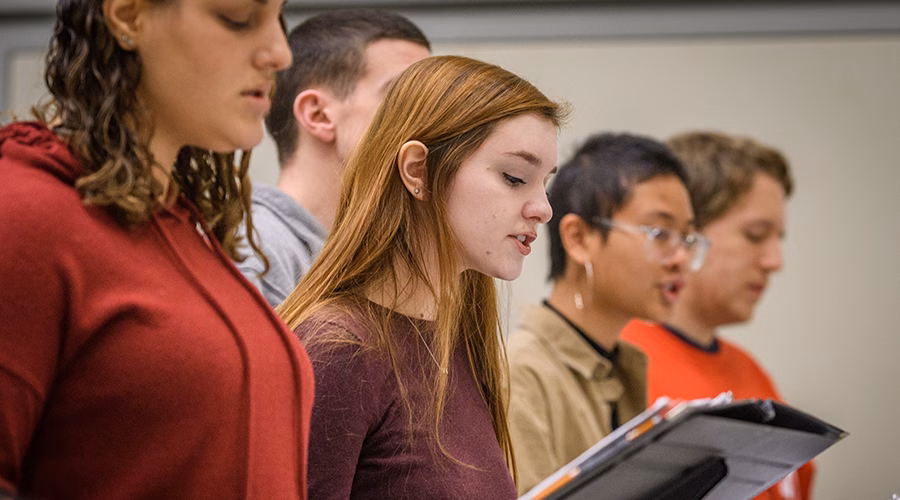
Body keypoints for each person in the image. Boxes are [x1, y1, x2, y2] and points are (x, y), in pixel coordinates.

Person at [0, 0, 314, 498]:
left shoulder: (187, 231)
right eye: (236, 18)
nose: (279, 53)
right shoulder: (25, 214)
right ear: (128, 17)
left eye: (279, 19)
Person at [279, 55, 567, 499]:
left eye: (543, 182)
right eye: (515, 178)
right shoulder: (338, 349)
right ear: (418, 170)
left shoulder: (459, 339)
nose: (542, 208)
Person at [506, 132, 709, 494]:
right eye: (660, 233)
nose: (680, 258)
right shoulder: (522, 372)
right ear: (579, 238)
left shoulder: (622, 366)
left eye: (688, 238)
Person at [620, 130, 814, 500]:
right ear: (685, 232)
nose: (774, 261)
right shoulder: (620, 368)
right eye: (755, 235)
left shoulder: (752, 374)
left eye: (777, 239)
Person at [237, 9, 431, 307]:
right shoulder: (257, 252)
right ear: (318, 115)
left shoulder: (380, 262)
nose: (433, 120)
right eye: (403, 97)